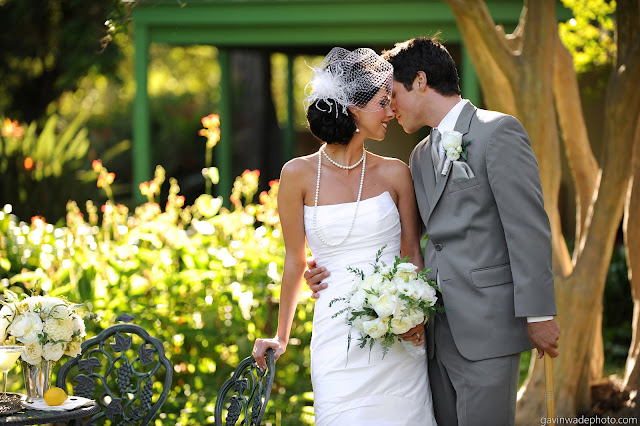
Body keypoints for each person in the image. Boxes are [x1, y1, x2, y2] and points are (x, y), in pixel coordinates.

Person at [304, 37, 561, 426]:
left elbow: (528, 228)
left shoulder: (498, 132)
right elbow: (400, 237)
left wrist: (539, 313)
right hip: (434, 332)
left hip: (487, 327)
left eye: (392, 94)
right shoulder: (420, 155)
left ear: (420, 81)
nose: (389, 107)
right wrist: (327, 261)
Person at [252, 47, 437, 425]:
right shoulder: (297, 175)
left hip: (399, 337)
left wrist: (414, 316)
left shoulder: (396, 173)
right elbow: (294, 260)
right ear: (353, 108)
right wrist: (281, 337)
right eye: (382, 103)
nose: (391, 111)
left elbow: (411, 255)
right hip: (336, 337)